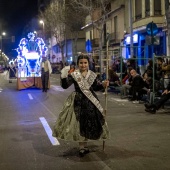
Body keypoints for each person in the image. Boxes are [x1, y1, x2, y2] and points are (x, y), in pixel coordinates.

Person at [52, 54, 110, 157]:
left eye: (85, 63)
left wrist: (103, 85)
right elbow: (65, 86)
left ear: (88, 64)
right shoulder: (74, 74)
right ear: (78, 64)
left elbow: (96, 87)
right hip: (78, 102)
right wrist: (64, 75)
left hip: (91, 103)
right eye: (81, 63)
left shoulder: (92, 75)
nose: (83, 65)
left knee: (88, 123)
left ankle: (85, 144)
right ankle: (82, 147)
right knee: (80, 123)